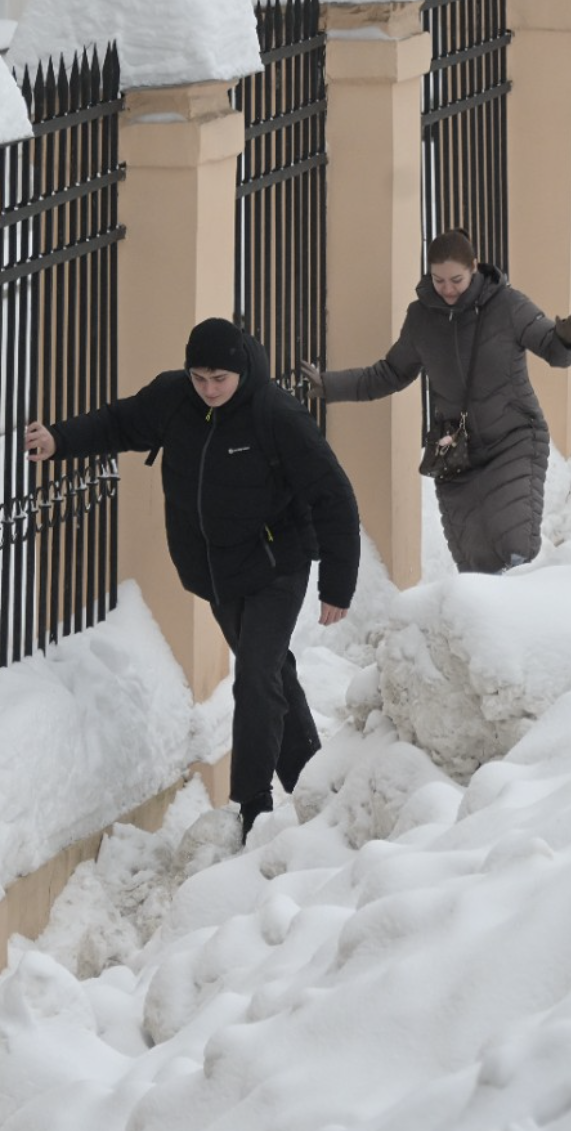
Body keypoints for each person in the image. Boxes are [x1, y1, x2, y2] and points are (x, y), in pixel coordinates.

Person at [25, 317, 359, 841]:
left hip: (278, 565)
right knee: (268, 673)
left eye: (218, 379)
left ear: (241, 370)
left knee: (254, 676)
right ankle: (310, 779)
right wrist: (59, 439)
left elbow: (333, 494)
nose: (209, 389)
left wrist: (337, 586)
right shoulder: (174, 397)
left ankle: (252, 808)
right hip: (218, 571)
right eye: (200, 378)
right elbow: (120, 423)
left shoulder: (275, 414)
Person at [303, 229, 571, 574]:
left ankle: (528, 624)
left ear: (474, 269)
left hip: (514, 440)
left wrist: (566, 341)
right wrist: (330, 385)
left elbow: (551, 348)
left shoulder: (508, 306)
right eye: (439, 280)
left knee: (514, 547)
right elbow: (390, 372)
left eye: (456, 280)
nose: (448, 289)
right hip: (456, 454)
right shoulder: (422, 319)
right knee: (476, 565)